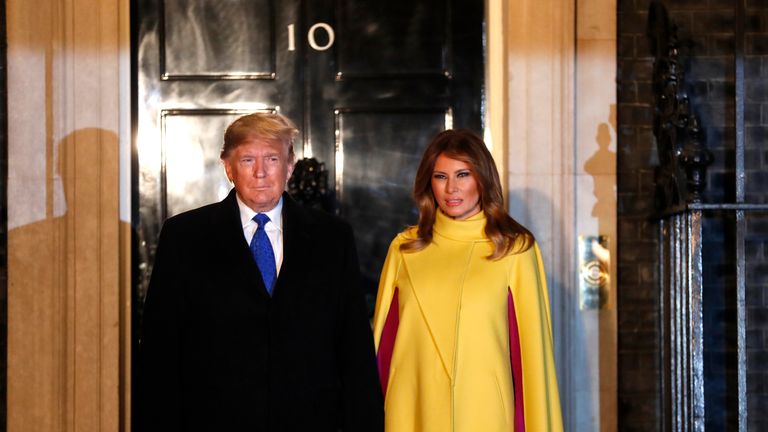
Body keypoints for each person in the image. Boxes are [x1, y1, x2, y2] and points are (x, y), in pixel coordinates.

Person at [139, 112, 384, 431]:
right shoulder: (185, 236)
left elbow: (354, 349)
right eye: (247, 160)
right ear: (228, 167)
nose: (260, 173)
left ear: (290, 166)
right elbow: (160, 352)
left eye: (272, 158)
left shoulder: (332, 238)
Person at [373, 129, 563, 431]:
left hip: (485, 412)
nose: (452, 189)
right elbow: (383, 349)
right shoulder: (404, 248)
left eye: (463, 174)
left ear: (482, 179)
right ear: (428, 183)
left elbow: (531, 361)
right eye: (440, 177)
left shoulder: (515, 249)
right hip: (413, 409)